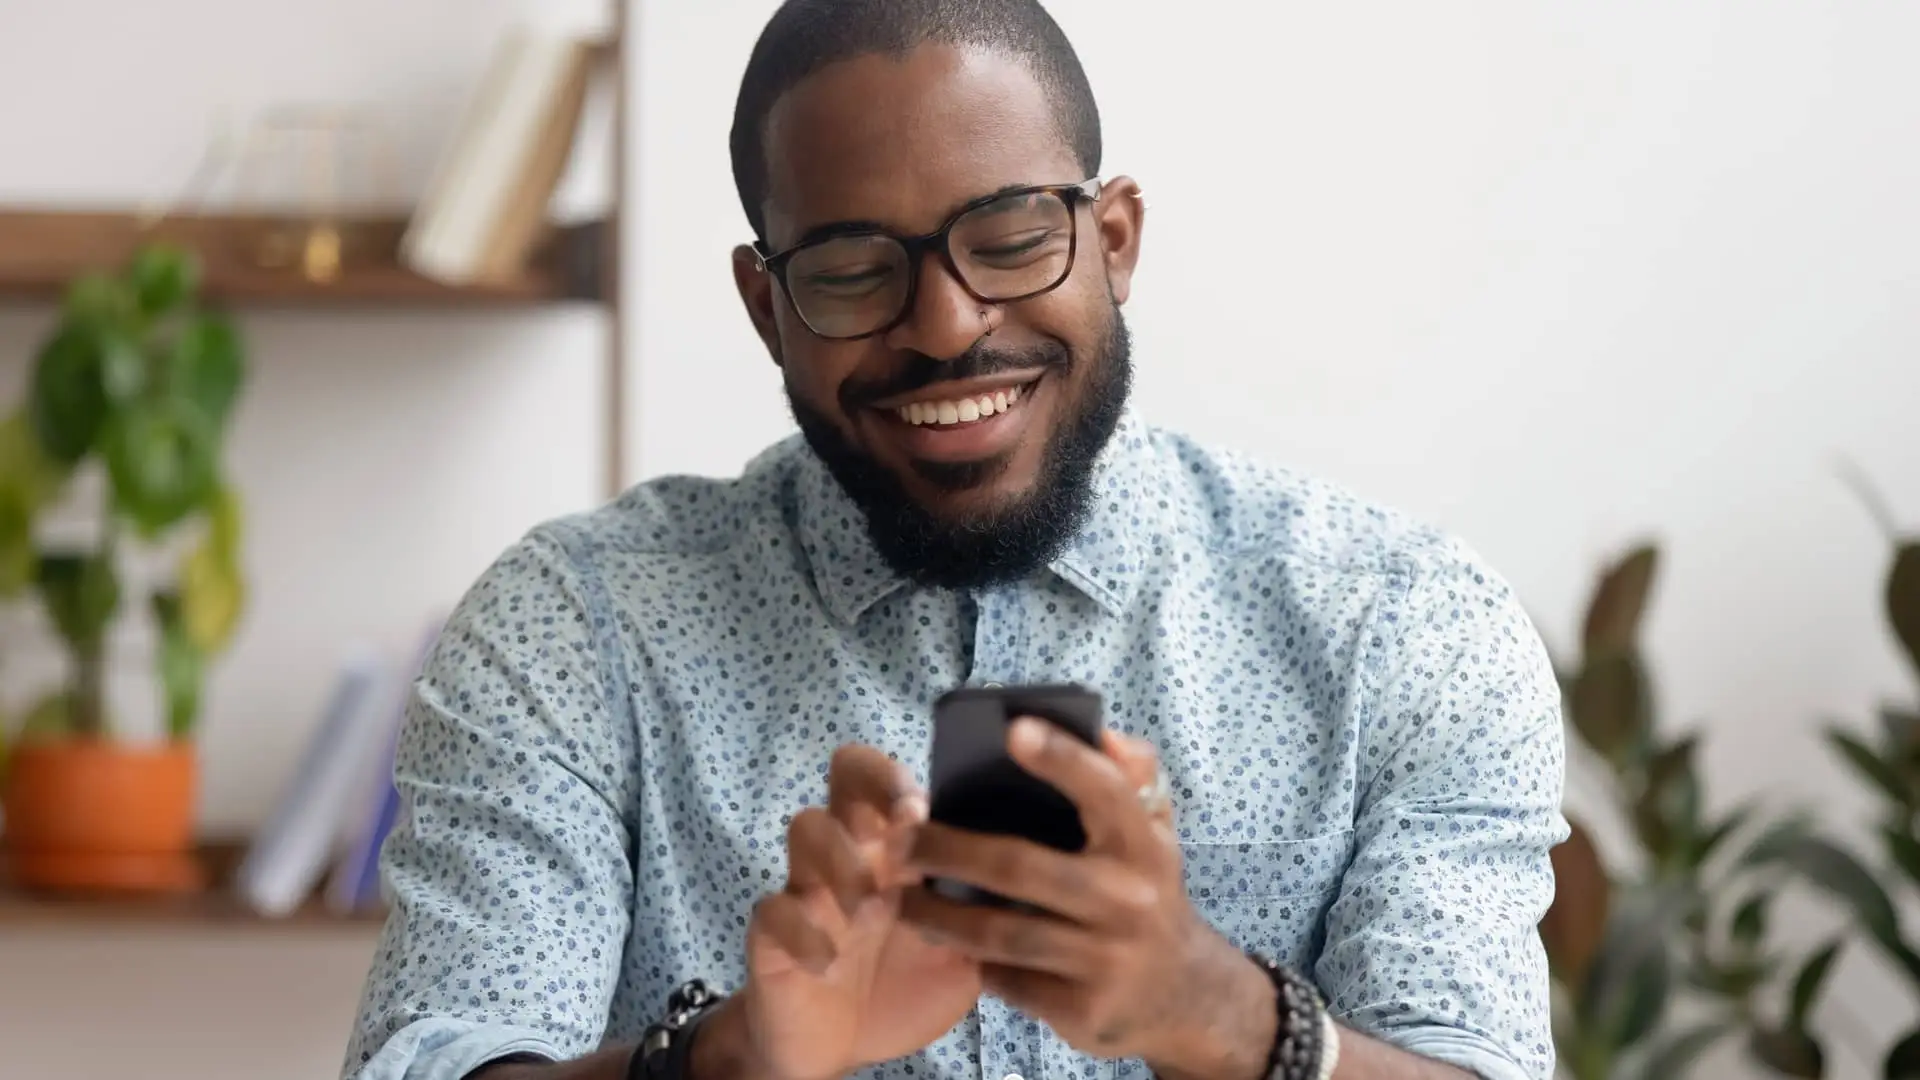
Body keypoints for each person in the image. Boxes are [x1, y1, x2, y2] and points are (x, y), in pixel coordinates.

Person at [340, 2, 1568, 1079]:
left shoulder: (1404, 628)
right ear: (768, 308)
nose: (944, 325)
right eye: (851, 268)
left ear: (1117, 241)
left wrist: (1219, 1016)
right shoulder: (575, 633)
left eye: (1014, 234)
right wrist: (727, 1064)